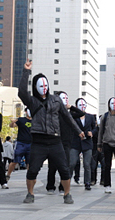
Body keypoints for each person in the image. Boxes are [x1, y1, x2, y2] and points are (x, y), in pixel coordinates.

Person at [18, 60, 85, 204]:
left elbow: (68, 118)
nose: (44, 88)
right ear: (36, 87)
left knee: (64, 169)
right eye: (40, 86)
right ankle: (30, 193)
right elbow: (22, 92)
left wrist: (79, 131)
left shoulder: (56, 100)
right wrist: (26, 72)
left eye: (46, 85)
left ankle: (67, 194)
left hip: (55, 141)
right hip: (38, 141)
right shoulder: (32, 101)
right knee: (32, 170)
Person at [97, 97, 115, 196]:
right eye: (112, 103)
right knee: (106, 166)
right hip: (106, 143)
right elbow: (100, 131)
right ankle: (107, 185)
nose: (113, 106)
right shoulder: (104, 117)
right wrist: (99, 144)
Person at [68, 97, 97, 191]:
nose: (82, 107)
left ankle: (87, 182)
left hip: (87, 143)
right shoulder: (73, 116)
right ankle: (66, 181)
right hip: (75, 142)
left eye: (84, 105)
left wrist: (92, 132)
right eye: (80, 105)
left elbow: (95, 128)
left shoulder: (90, 117)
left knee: (87, 164)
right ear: (76, 106)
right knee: (72, 162)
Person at [6, 108, 32, 181]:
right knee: (15, 161)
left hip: (31, 144)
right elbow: (12, 126)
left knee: (29, 163)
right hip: (21, 143)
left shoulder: (36, 120)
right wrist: (12, 122)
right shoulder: (21, 119)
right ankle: (8, 174)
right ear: (26, 111)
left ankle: (30, 178)